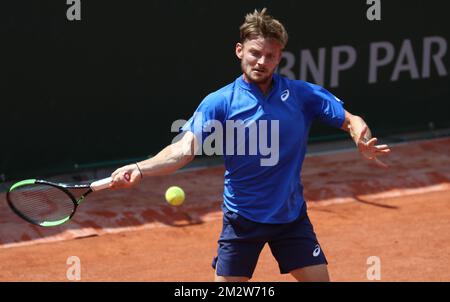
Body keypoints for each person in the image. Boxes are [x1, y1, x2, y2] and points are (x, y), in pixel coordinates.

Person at [110, 8, 391, 282]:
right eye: (255, 53)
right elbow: (183, 150)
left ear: (279, 58)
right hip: (242, 220)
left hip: (290, 218)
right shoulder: (220, 102)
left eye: (270, 56)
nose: (261, 61)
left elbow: (351, 119)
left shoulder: (301, 94)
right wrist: (140, 168)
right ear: (239, 51)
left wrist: (360, 137)